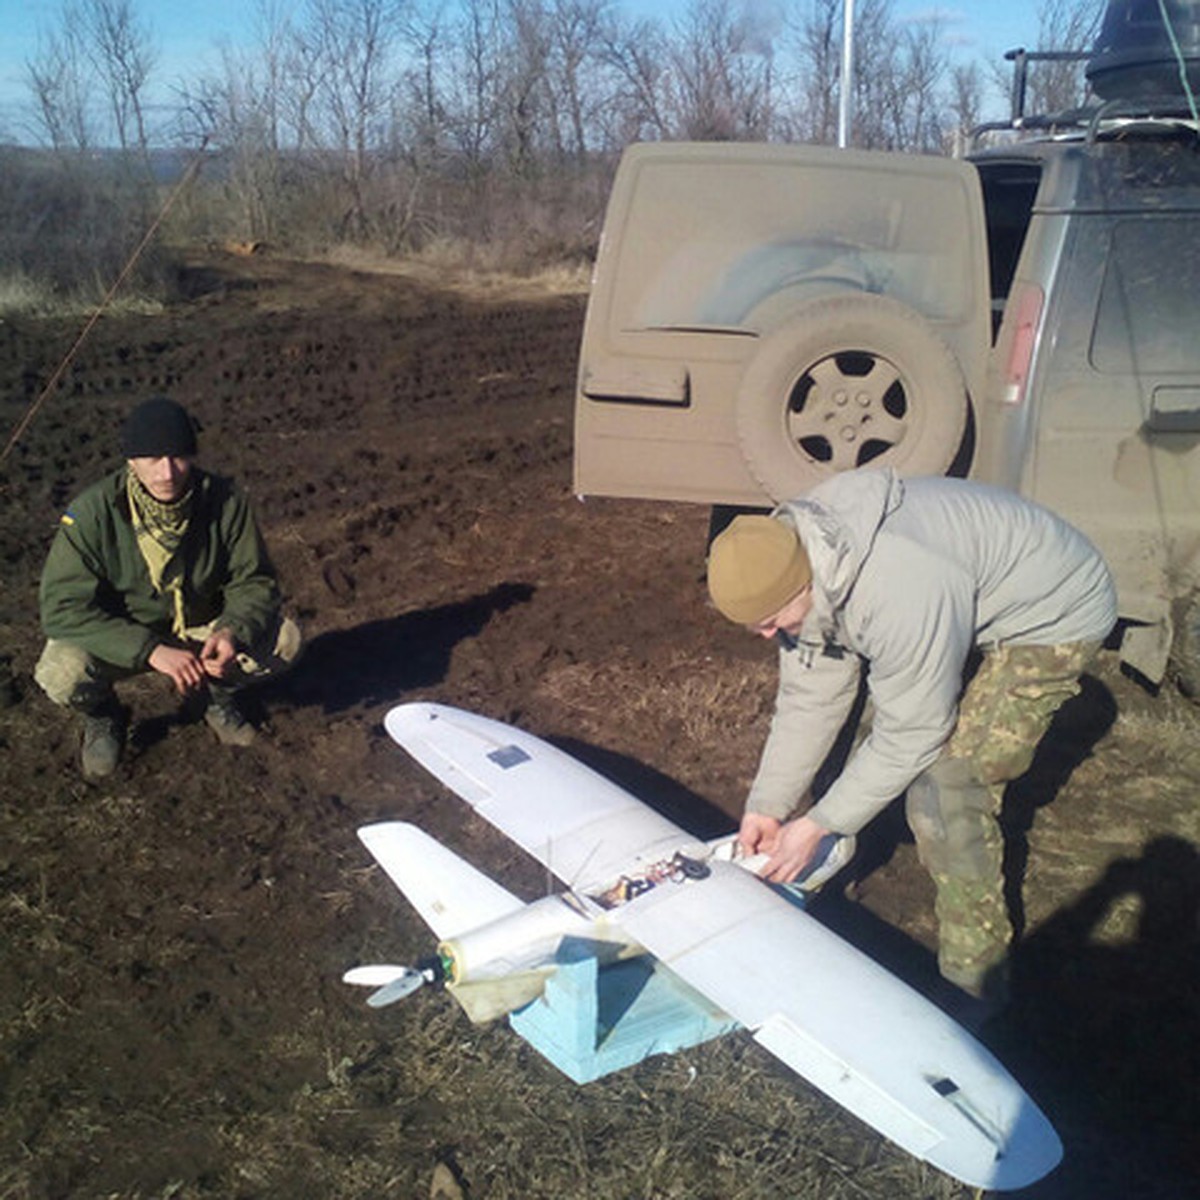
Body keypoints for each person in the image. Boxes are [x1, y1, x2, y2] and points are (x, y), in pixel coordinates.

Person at [706, 468, 1116, 1011]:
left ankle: (975, 986)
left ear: (804, 583)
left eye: (771, 621)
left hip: (1052, 611)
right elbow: (813, 696)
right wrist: (769, 805)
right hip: (954, 590)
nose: (766, 636)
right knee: (857, 760)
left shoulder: (896, 584)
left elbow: (918, 731)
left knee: (945, 790)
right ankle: (826, 872)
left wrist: (822, 822)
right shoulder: (798, 556)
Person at [34, 396, 302, 779]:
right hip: (124, 636)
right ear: (130, 460)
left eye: (177, 457)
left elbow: (254, 581)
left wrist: (231, 631)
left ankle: (214, 695)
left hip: (199, 627)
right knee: (62, 672)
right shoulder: (92, 514)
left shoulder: (224, 502)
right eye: (151, 459)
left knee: (284, 640)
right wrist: (150, 650)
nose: (167, 473)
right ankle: (103, 715)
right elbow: (62, 609)